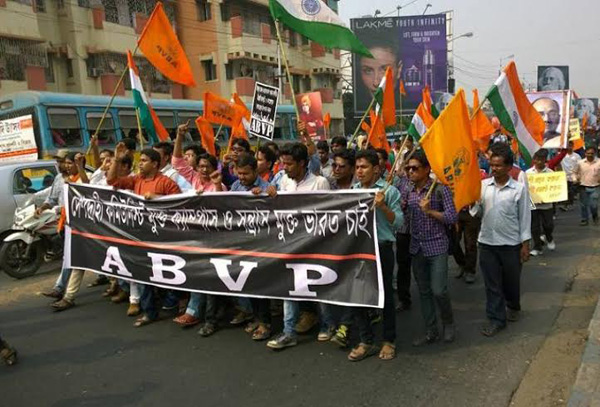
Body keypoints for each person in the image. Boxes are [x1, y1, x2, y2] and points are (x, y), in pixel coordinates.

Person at [266, 142, 332, 350]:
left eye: (289, 164)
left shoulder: (320, 183)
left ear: (302, 163)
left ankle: (327, 325)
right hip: (291, 245)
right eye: (283, 163)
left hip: (315, 245)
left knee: (320, 288)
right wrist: (266, 193)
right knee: (289, 289)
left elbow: (329, 213)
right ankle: (288, 332)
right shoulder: (284, 182)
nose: (285, 167)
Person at [107, 144, 181, 327]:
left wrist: (158, 198)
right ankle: (149, 312)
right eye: (139, 161)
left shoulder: (166, 182)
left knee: (168, 274)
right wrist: (116, 159)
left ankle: (173, 302)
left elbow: (180, 205)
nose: (140, 164)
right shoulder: (136, 180)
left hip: (163, 238)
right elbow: (111, 181)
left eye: (144, 161)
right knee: (144, 274)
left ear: (155, 164)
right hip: (142, 237)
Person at [347, 149, 403, 361]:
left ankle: (389, 340)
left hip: (381, 248)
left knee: (385, 296)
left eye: (364, 167)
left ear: (377, 169)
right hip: (358, 250)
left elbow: (398, 222)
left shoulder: (389, 191)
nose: (359, 171)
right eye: (357, 167)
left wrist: (383, 207)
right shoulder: (352, 191)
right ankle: (366, 340)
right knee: (357, 296)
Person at [471, 144, 531, 336]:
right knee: (492, 285)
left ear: (508, 167)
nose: (493, 169)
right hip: (487, 243)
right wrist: (473, 204)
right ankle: (497, 319)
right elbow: (477, 213)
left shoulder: (519, 189)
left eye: (497, 165)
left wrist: (525, 244)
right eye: (491, 165)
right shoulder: (483, 187)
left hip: (511, 245)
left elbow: (525, 217)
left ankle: (513, 305)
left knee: (511, 282)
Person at [403, 151, 457, 346]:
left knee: (439, 290)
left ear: (427, 169)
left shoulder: (439, 190)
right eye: (408, 168)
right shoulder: (407, 190)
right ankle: (431, 330)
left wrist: (430, 211)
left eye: (415, 168)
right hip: (416, 248)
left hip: (437, 246)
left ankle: (448, 322)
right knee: (423, 291)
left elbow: (452, 217)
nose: (410, 172)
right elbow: (401, 212)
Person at [172, 123, 225, 192]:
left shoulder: (220, 186)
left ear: (214, 169)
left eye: (208, 167)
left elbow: (221, 200)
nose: (205, 170)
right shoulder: (194, 177)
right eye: (201, 166)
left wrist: (218, 185)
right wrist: (179, 135)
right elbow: (177, 162)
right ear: (197, 167)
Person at [526, 149, 555, 256]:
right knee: (534, 227)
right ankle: (537, 247)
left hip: (546, 204)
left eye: (541, 160)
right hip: (533, 204)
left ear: (545, 160)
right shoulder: (528, 173)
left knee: (548, 225)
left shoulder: (550, 173)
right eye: (537, 159)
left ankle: (549, 237)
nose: (539, 162)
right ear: (534, 160)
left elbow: (555, 188)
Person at [574, 146, 600, 226]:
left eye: (592, 153)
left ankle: (595, 216)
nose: (590, 155)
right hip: (583, 186)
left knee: (593, 205)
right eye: (588, 153)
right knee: (583, 205)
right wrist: (575, 179)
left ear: (594, 153)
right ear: (585, 153)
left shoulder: (599, 162)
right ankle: (584, 219)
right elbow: (574, 172)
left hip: (595, 186)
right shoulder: (580, 163)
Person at [561, 141, 583, 210]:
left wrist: (579, 176)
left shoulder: (577, 156)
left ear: (573, 146)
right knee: (566, 191)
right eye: (568, 146)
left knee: (571, 191)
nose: (569, 147)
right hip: (564, 176)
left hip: (573, 176)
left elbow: (580, 166)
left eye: (570, 146)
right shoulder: (562, 156)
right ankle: (566, 205)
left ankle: (568, 204)